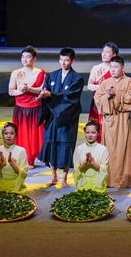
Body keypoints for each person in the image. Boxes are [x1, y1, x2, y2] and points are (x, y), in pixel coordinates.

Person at [38, 47, 85, 189]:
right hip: (52, 115)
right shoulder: (52, 75)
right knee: (50, 143)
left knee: (65, 145)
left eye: (66, 60)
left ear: (72, 61)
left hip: (68, 116)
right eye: (61, 60)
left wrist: (51, 95)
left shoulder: (77, 79)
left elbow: (71, 97)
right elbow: (45, 90)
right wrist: (43, 95)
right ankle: (53, 176)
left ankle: (64, 177)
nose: (63, 63)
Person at [94, 55, 131, 188]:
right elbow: (97, 99)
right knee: (109, 148)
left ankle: (124, 180)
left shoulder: (129, 82)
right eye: (111, 67)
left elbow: (130, 98)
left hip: (122, 119)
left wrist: (116, 93)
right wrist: (107, 96)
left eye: (116, 67)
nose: (112, 70)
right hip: (109, 120)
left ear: (122, 68)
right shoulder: (105, 83)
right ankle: (109, 180)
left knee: (123, 149)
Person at [8, 45, 46, 166]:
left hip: (35, 108)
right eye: (23, 57)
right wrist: (21, 91)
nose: (25, 59)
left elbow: (42, 90)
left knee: (34, 135)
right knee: (22, 134)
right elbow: (11, 91)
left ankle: (32, 158)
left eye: (28, 57)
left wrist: (29, 89)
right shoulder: (15, 73)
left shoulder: (40, 73)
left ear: (34, 59)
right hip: (20, 108)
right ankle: (24, 159)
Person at [86, 42, 119, 143]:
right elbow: (89, 86)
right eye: (103, 51)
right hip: (97, 103)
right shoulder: (96, 68)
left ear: (114, 54)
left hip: (111, 104)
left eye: (107, 52)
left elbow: (120, 87)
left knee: (110, 130)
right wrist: (101, 87)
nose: (104, 54)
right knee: (97, 127)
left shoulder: (117, 69)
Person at [0, 122, 28, 193]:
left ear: (16, 135)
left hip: (16, 186)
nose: (9, 136)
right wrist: (0, 162)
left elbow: (23, 173)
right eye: (6, 133)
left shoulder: (21, 150)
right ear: (2, 135)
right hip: (0, 186)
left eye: (12, 133)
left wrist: (11, 163)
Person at [72, 121, 109, 192]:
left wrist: (92, 163)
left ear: (98, 133)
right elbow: (76, 171)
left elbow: (104, 170)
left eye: (93, 133)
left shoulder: (103, 149)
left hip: (98, 187)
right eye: (87, 132)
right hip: (82, 187)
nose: (90, 135)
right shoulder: (79, 149)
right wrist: (85, 163)